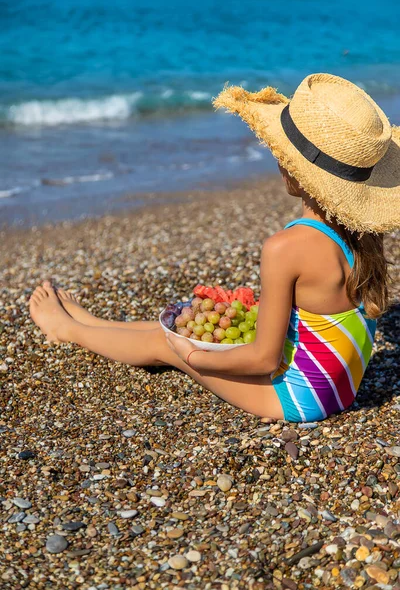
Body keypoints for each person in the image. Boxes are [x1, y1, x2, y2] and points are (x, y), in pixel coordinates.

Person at [29, 73, 399, 423]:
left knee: (166, 342)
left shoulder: (286, 247)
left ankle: (68, 330)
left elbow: (264, 359)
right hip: (342, 387)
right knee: (175, 329)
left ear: (295, 170)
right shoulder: (362, 233)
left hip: (299, 396)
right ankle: (94, 324)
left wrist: (194, 357)